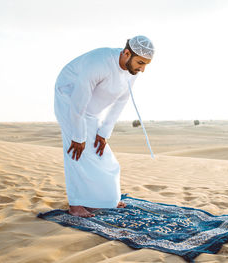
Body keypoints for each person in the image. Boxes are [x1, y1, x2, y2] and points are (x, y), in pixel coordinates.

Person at [54, 36, 154, 217]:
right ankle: (76, 206)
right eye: (140, 62)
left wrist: (104, 132)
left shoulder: (132, 72)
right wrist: (78, 135)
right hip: (69, 100)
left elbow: (121, 102)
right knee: (76, 151)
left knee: (104, 156)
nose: (143, 69)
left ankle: (102, 201)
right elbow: (78, 103)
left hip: (91, 110)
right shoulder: (99, 62)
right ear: (126, 53)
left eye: (146, 64)